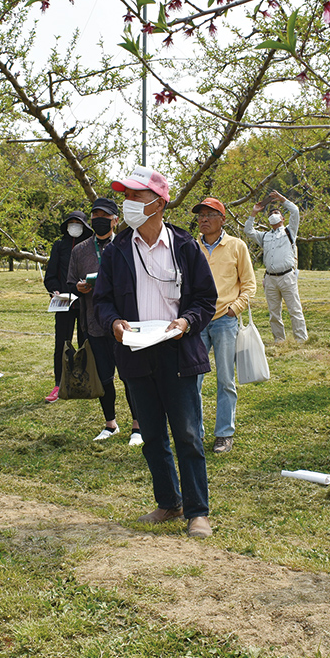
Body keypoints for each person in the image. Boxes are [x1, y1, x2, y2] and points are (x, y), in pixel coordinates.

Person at [94, 165, 218, 538]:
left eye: (136, 196)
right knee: (151, 434)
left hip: (177, 352)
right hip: (135, 353)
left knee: (188, 434)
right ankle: (169, 502)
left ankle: (198, 511)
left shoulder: (184, 247)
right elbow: (102, 301)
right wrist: (114, 322)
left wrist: (186, 322)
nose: (128, 203)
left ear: (159, 203)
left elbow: (205, 299)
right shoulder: (116, 250)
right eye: (126, 196)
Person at [65, 198, 142, 444]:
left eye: (105, 217)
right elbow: (71, 283)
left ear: (116, 219)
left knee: (130, 376)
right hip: (94, 323)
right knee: (103, 377)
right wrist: (79, 287)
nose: (99, 220)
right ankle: (110, 424)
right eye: (95, 216)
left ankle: (138, 427)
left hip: (125, 323)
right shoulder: (80, 250)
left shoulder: (126, 245)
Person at [193, 197, 256, 454]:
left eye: (210, 214)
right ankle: (194, 433)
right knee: (192, 381)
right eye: (200, 215)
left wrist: (235, 309)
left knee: (225, 380)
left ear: (223, 219)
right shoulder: (190, 247)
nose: (203, 219)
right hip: (196, 322)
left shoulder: (236, 246)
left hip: (224, 320)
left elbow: (249, 284)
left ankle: (224, 434)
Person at [244, 190, 307, 343]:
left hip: (287, 276)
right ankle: (279, 340)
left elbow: (295, 211)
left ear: (282, 217)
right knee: (274, 313)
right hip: (271, 278)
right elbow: (248, 231)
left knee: (295, 310)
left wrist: (282, 199)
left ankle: (301, 340)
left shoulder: (289, 231)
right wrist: (253, 213)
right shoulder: (265, 236)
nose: (273, 214)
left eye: (276, 213)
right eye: (271, 213)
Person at [43, 210, 93, 402]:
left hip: (85, 302)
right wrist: (55, 290)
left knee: (85, 342)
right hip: (64, 303)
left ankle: (86, 380)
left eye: (77, 222)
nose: (74, 226)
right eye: (71, 222)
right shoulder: (59, 245)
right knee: (61, 344)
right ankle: (59, 383)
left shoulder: (90, 245)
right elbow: (51, 275)